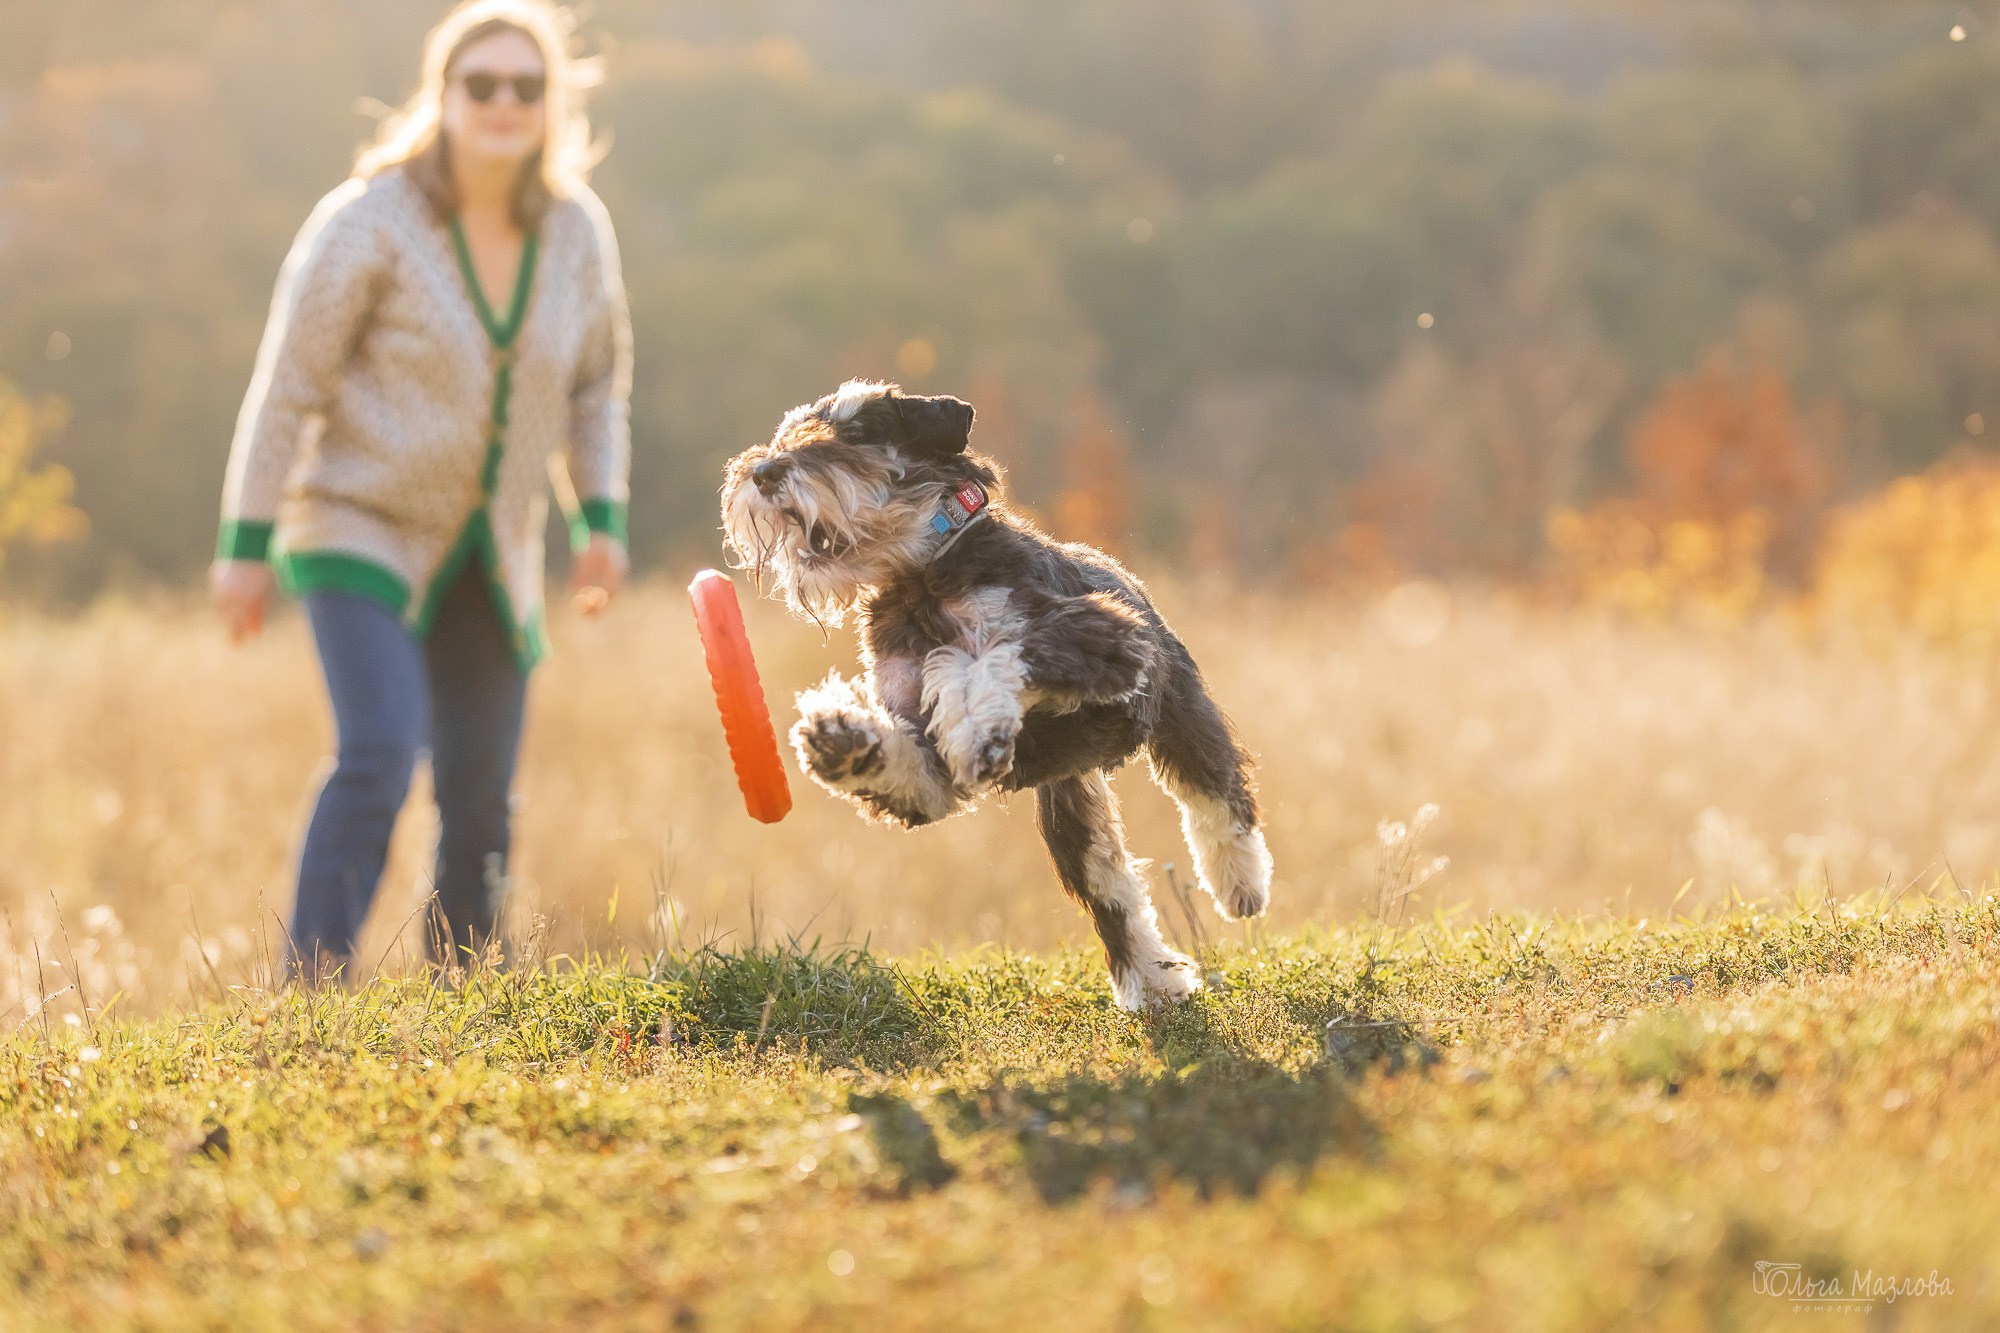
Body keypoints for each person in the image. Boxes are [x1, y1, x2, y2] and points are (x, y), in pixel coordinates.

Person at [210, 0, 631, 979]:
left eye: (526, 86)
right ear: (441, 96)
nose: (503, 102)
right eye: (480, 84)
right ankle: (311, 990)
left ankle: (466, 992)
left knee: (481, 791)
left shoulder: (576, 230)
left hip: (495, 544)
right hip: (357, 524)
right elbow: (286, 388)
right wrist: (245, 546)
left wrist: (600, 519)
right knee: (381, 751)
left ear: (553, 102)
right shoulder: (370, 219)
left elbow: (597, 386)